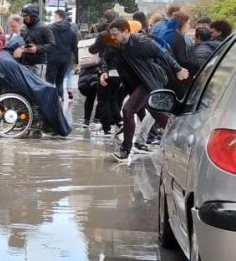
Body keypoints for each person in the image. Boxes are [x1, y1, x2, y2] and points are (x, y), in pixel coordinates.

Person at [100, 18, 189, 162]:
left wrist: (178, 69)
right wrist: (104, 71)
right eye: (111, 34)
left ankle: (125, 149)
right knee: (157, 113)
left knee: (128, 110)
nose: (113, 37)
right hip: (134, 83)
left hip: (149, 81)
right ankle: (182, 140)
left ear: (126, 32)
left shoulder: (140, 42)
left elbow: (162, 53)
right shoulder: (116, 45)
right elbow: (106, 57)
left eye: (115, 34)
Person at [14, 4, 53, 80]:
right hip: (25, 63)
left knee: (38, 85)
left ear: (33, 15)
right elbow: (21, 42)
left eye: (27, 15)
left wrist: (37, 49)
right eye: (24, 15)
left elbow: (51, 44)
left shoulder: (44, 27)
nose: (25, 17)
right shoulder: (24, 28)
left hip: (38, 64)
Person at [47, 9, 79, 100]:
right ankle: (60, 98)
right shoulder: (72, 30)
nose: (53, 18)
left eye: (54, 16)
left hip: (52, 58)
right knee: (60, 81)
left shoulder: (50, 28)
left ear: (58, 16)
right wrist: (76, 62)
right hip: (65, 59)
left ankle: (49, 99)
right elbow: (75, 47)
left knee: (49, 81)